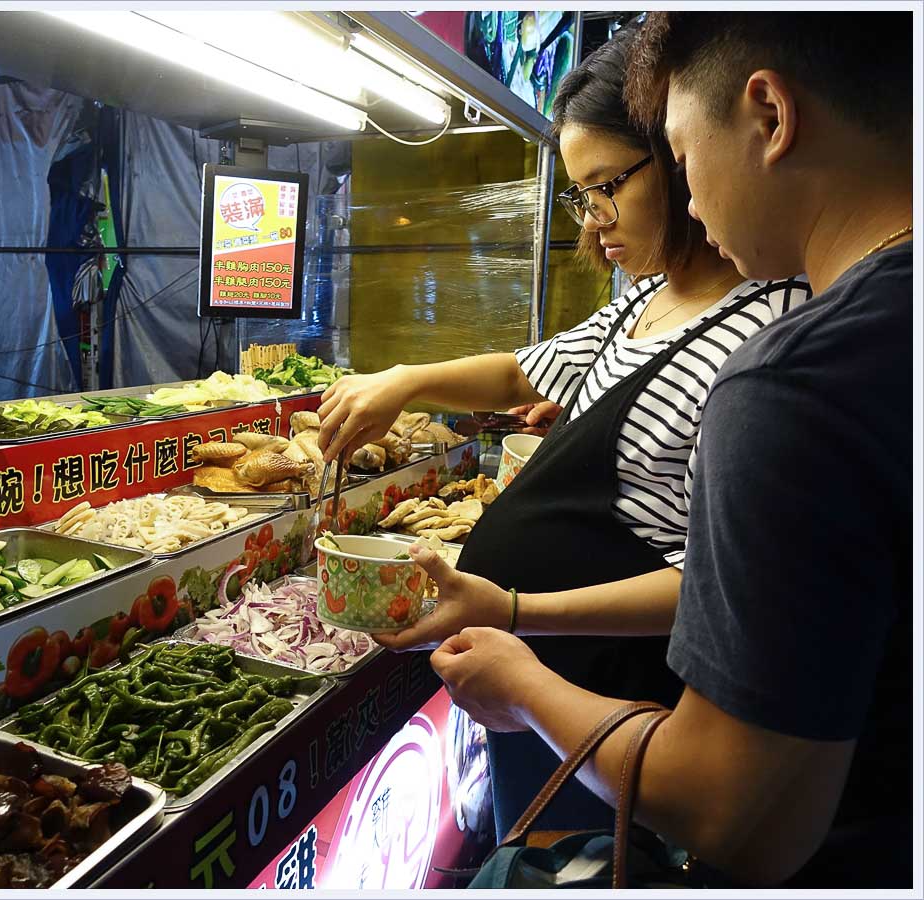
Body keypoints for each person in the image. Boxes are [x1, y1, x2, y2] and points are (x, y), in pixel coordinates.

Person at [422, 11, 911, 887]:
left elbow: (732, 816)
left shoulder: (797, 378)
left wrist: (523, 681)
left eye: (681, 158)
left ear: (769, 114)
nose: (689, 202)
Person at [317, 26, 810, 838]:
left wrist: (516, 609)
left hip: (617, 700)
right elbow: (523, 372)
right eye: (580, 196)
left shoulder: (771, 335)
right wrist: (404, 381)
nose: (591, 223)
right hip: (540, 683)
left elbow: (718, 585)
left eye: (604, 187)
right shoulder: (645, 300)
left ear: (682, 151)